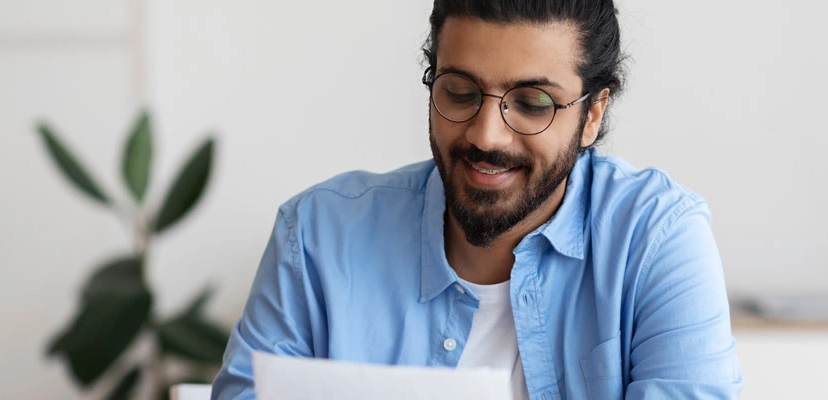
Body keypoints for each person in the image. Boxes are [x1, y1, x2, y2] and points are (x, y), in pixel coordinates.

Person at [212, 1, 743, 398]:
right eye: (460, 93)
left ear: (594, 113)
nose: (487, 135)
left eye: (533, 103)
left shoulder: (655, 237)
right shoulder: (315, 238)